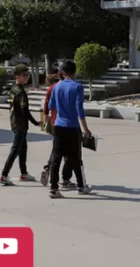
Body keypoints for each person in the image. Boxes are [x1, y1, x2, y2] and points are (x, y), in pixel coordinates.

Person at [47, 61, 93, 198]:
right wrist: (85, 128)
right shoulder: (77, 86)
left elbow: (51, 106)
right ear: (74, 72)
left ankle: (53, 188)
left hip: (58, 126)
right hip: (72, 127)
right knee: (75, 158)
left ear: (63, 72)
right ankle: (81, 186)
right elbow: (80, 109)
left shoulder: (56, 87)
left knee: (56, 157)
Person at [0, 65, 41, 186]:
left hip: (14, 122)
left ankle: (23, 173)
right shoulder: (21, 92)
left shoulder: (13, 89)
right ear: (17, 76)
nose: (27, 77)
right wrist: (36, 122)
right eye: (24, 75)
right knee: (16, 148)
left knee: (23, 148)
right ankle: (4, 175)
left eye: (27, 74)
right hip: (20, 123)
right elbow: (25, 111)